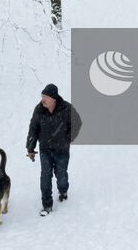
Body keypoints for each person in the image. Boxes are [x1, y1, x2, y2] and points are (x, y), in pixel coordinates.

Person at [26, 82, 81, 216]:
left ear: (54, 99)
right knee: (45, 176)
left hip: (62, 149)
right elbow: (33, 129)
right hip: (45, 149)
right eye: (42, 96)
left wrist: (68, 138)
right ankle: (47, 205)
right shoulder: (38, 110)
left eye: (46, 96)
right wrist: (30, 148)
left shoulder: (67, 108)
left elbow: (77, 123)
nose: (43, 99)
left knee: (61, 175)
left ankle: (63, 190)